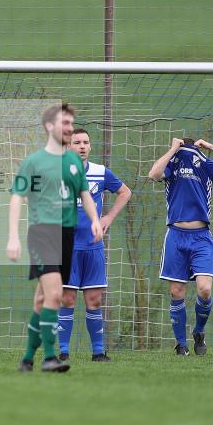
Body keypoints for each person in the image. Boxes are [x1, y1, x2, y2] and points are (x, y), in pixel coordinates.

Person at [7, 104, 103, 373]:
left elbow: (84, 194)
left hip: (67, 235)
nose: (70, 129)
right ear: (50, 127)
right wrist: (13, 237)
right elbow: (17, 197)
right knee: (55, 294)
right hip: (42, 233)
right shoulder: (34, 162)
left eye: (72, 124)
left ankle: (27, 358)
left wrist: (96, 220)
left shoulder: (73, 162)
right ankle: (50, 357)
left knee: (41, 301)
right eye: (65, 124)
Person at [148, 137, 213, 356]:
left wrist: (211, 147)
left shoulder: (205, 164)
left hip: (201, 236)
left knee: (205, 289)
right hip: (176, 236)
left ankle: (199, 332)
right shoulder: (172, 163)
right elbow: (153, 174)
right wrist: (172, 149)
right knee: (177, 291)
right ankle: (181, 344)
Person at [58, 128, 132, 362]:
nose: (81, 146)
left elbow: (124, 192)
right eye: (76, 142)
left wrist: (108, 218)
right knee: (67, 299)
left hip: (93, 247)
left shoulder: (100, 173)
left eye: (85, 142)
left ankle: (98, 352)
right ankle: (63, 352)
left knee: (94, 300)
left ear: (90, 147)